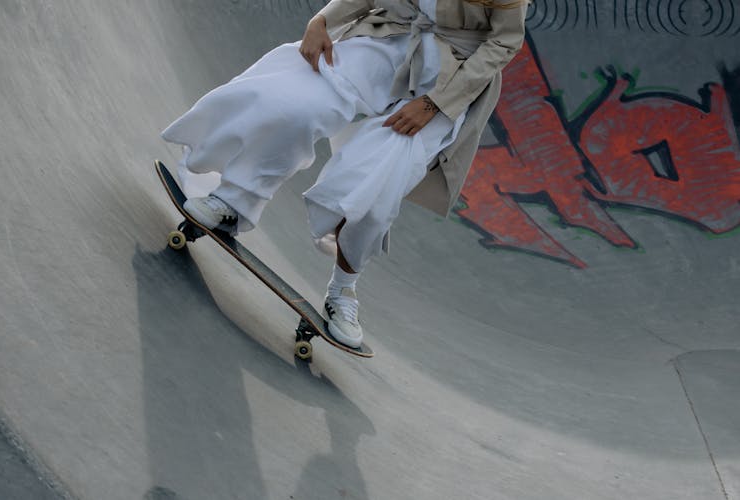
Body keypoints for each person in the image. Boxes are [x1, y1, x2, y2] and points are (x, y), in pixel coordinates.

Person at [161, 0, 528, 349]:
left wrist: (437, 104)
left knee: (383, 171)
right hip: (389, 37)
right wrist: (322, 20)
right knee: (297, 103)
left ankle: (343, 289)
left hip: (450, 75)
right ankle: (234, 201)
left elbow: (504, 42)